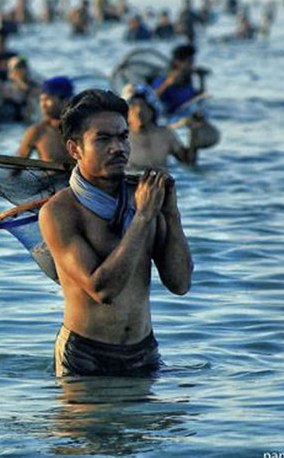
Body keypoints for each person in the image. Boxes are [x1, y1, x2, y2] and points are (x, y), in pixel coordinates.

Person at [39, 89, 192, 377]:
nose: (117, 148)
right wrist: (144, 216)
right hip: (85, 355)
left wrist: (171, 213)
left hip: (143, 350)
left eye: (123, 137)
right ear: (75, 149)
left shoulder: (145, 197)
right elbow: (102, 289)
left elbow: (180, 283)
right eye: (103, 139)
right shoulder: (60, 212)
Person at [122, 84, 196, 168]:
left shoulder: (165, 135)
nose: (139, 111)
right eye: (133, 107)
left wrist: (194, 133)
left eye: (143, 106)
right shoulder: (120, 139)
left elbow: (188, 162)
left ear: (152, 111)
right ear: (126, 114)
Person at [16, 76, 73, 165]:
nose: (43, 105)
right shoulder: (37, 132)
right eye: (41, 100)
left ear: (65, 100)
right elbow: (15, 170)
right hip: (50, 178)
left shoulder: (81, 130)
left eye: (47, 99)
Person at [5, 56, 40, 120]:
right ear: (11, 71)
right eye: (18, 67)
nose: (21, 69)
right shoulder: (6, 88)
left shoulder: (35, 86)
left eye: (23, 66)